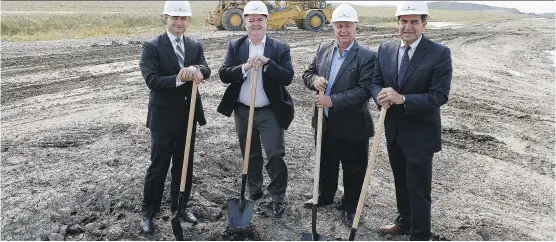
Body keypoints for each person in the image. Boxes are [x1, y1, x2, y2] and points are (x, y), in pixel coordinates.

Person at [370, 1, 452, 240]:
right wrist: (381, 96)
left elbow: (439, 95)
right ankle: (405, 221)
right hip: (393, 130)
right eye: (404, 21)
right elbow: (375, 82)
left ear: (424, 24)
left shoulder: (438, 53)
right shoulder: (385, 49)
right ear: (398, 24)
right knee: (400, 182)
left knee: (418, 189)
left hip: (420, 134)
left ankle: (420, 234)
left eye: (414, 22)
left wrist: (402, 98)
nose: (408, 27)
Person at [138, 0, 210, 234]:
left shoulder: (194, 45)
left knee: (184, 165)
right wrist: (181, 77)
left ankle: (180, 208)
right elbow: (152, 80)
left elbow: (206, 68)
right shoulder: (152, 46)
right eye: (175, 18)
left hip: (188, 116)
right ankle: (149, 212)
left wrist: (198, 71)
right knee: (158, 166)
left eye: (183, 18)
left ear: (189, 20)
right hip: (163, 118)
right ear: (165, 18)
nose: (179, 22)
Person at [217, 1, 294, 217]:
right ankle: (254, 192)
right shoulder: (236, 46)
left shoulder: (279, 48)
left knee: (275, 154)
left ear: (267, 22)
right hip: (243, 111)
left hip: (269, 111)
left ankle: (277, 197)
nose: (256, 24)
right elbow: (224, 74)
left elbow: (287, 77)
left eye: (260, 19)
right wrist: (245, 67)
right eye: (251, 20)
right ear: (245, 23)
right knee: (249, 154)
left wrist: (268, 63)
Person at [301, 3, 376, 227]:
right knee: (326, 162)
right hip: (324, 123)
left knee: (354, 167)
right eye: (339, 26)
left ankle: (350, 205)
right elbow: (308, 73)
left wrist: (332, 101)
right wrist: (314, 80)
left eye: (348, 26)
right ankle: (325, 196)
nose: (343, 30)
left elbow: (363, 91)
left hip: (353, 125)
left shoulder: (366, 56)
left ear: (356, 27)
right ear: (333, 27)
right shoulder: (324, 49)